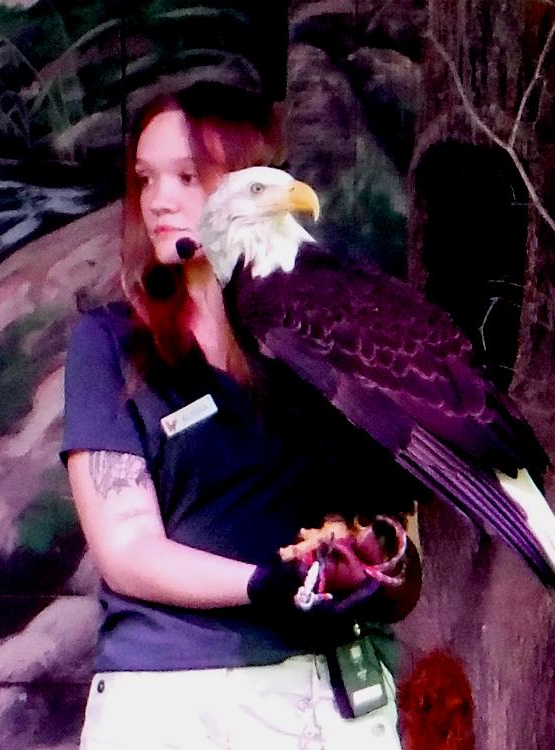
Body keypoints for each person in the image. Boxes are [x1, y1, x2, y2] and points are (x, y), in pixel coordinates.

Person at [61, 81, 421, 750]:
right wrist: (269, 584)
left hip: (333, 695)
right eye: (146, 178)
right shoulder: (110, 344)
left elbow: (399, 543)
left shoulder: (331, 334)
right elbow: (127, 549)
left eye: (187, 176)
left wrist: (377, 564)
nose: (158, 200)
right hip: (176, 700)